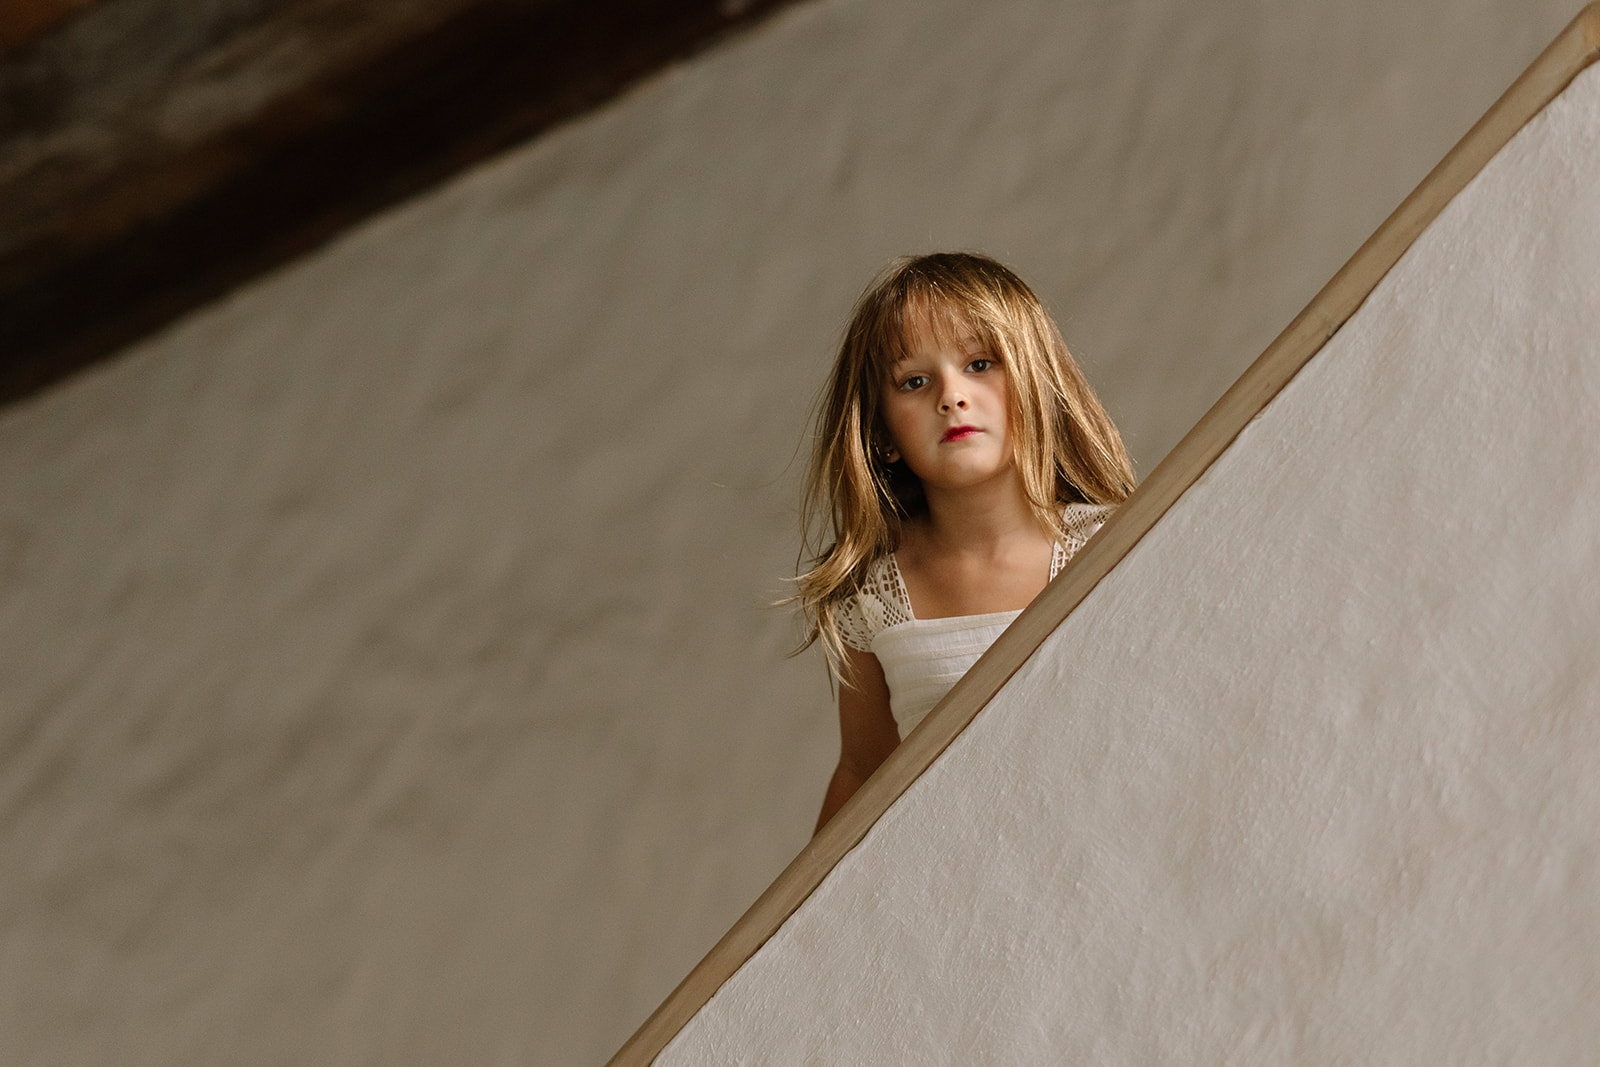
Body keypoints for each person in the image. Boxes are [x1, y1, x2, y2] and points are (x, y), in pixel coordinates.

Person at [794, 252, 1136, 833]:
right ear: (882, 433)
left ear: (1036, 384)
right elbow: (862, 768)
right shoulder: (873, 595)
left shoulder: (1114, 547)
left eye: (979, 364)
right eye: (915, 381)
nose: (951, 396)